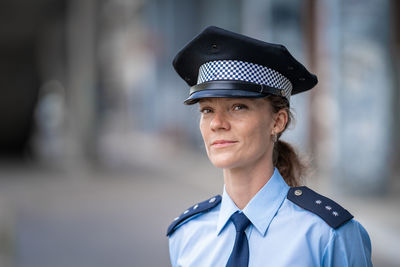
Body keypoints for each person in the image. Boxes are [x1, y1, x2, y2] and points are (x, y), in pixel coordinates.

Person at [166, 26, 372, 267]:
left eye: (238, 107)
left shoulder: (326, 235)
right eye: (207, 110)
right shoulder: (187, 235)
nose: (217, 124)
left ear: (277, 121)